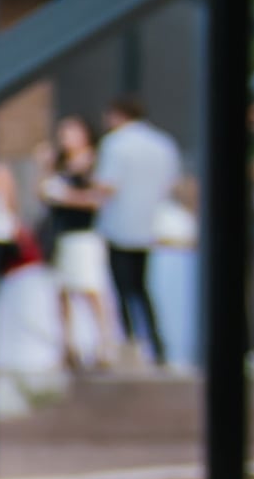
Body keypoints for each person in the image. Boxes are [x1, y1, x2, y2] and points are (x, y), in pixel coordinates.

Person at [95, 95, 184, 364]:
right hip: (149, 225)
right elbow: (172, 183)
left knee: (123, 289)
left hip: (119, 227)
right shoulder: (163, 143)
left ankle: (130, 345)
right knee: (143, 288)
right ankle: (157, 345)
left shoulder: (115, 144)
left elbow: (107, 185)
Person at [37, 116, 115, 373]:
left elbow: (100, 198)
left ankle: (105, 343)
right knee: (63, 292)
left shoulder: (94, 162)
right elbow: (42, 194)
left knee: (90, 289)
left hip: (84, 234)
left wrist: (67, 195)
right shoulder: (60, 164)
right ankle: (68, 346)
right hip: (61, 234)